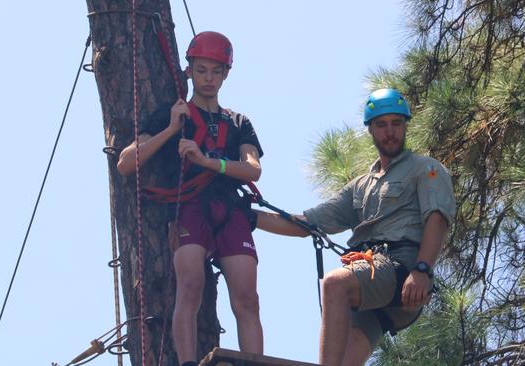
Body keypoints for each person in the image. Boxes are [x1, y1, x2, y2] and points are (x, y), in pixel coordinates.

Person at [256, 88, 455, 366]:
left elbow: (437, 218)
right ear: (370, 130)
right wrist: (250, 218)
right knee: (345, 359)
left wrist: (421, 270)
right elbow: (307, 224)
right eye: (382, 125)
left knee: (335, 284)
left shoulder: (426, 168)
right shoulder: (361, 186)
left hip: (403, 269)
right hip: (374, 284)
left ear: (405, 126)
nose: (390, 132)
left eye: (396, 124)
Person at [117, 31, 264, 366]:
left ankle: (255, 362)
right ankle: (187, 363)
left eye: (215, 71)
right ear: (189, 71)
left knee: (247, 298)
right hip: (189, 208)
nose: (208, 79)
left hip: (229, 209)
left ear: (226, 73)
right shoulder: (175, 116)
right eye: (201, 70)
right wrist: (170, 130)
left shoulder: (238, 123)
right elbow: (126, 162)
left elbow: (252, 170)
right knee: (191, 285)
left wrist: (207, 161)